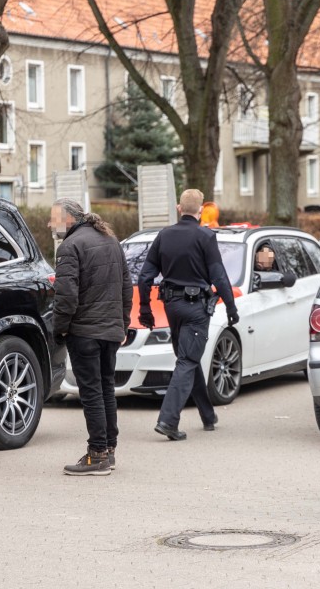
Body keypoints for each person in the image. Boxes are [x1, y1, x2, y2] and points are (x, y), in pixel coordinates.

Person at [138, 189, 239, 441]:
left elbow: (144, 277)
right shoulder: (206, 236)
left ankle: (207, 415)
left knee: (187, 357)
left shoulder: (164, 235)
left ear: (178, 208)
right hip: (196, 310)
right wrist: (231, 307)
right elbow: (219, 276)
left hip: (172, 308)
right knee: (187, 360)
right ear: (201, 211)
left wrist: (145, 309)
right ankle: (168, 420)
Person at [50, 198, 133, 476]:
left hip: (84, 331)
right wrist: (122, 323)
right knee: (106, 388)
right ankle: (108, 449)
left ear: (69, 219)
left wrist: (60, 328)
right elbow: (126, 284)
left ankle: (97, 453)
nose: (51, 224)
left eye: (54, 219)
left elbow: (66, 297)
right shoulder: (110, 240)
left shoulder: (69, 248)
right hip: (110, 330)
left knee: (92, 392)